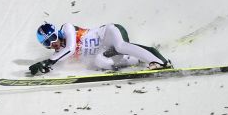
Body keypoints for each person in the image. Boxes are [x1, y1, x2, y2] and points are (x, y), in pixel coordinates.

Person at [29, 22, 172, 75]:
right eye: (48, 43)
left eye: (53, 38)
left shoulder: (67, 28)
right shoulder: (60, 54)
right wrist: (44, 68)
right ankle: (139, 57)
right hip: (108, 50)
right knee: (100, 61)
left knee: (120, 45)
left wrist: (48, 61)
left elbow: (71, 48)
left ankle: (159, 60)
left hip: (110, 33)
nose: (53, 44)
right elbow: (66, 64)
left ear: (57, 33)